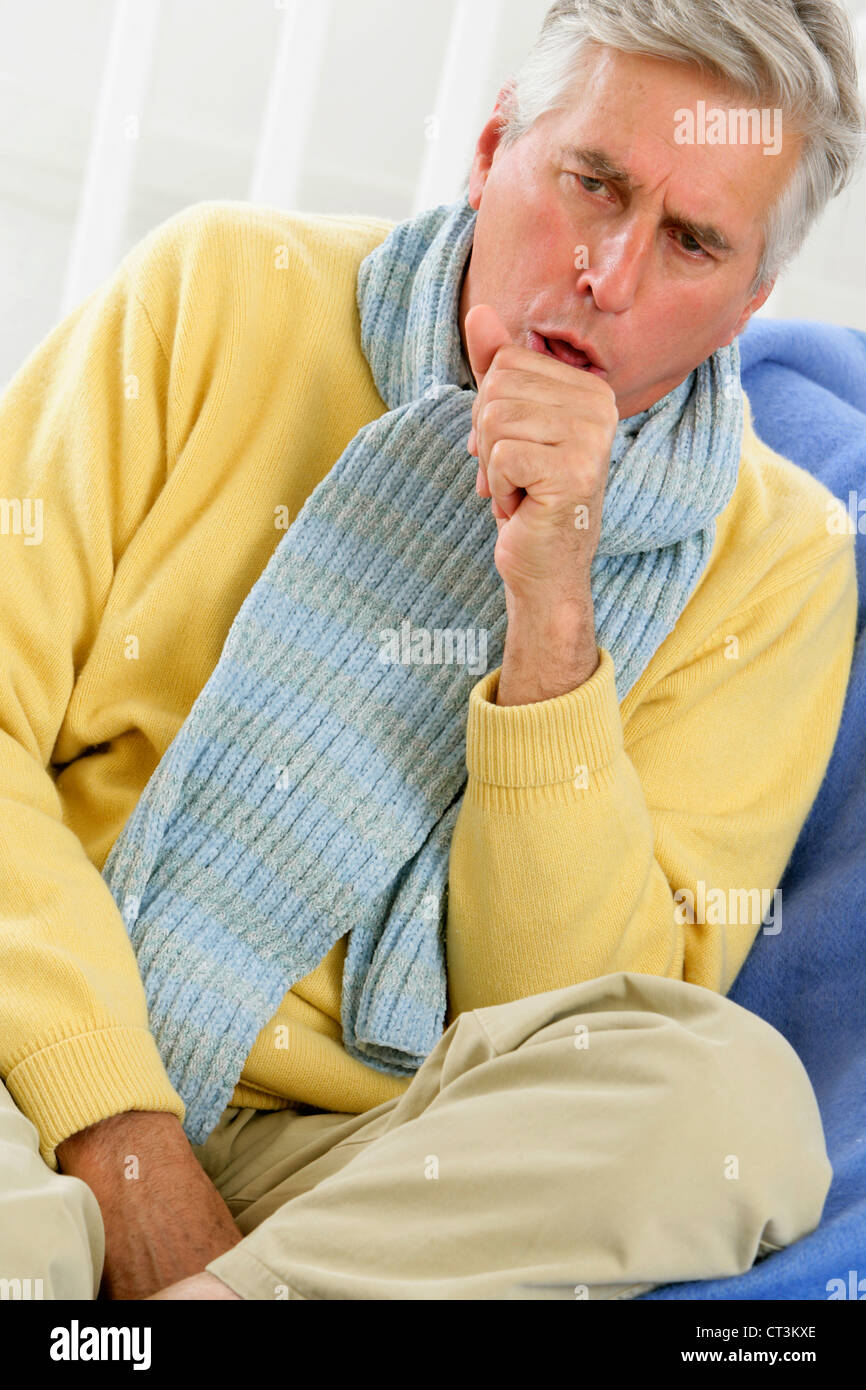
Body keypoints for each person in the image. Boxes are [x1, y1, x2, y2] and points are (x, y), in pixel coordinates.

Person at [0, 0, 863, 1302]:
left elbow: (563, 1020)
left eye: (689, 242)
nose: (609, 276)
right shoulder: (218, 291)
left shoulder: (784, 557)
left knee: (729, 1101)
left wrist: (554, 618)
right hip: (41, 1056)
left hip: (379, 1175)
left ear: (747, 303)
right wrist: (121, 1141)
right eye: (590, 183)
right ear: (486, 151)